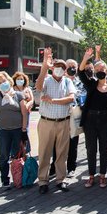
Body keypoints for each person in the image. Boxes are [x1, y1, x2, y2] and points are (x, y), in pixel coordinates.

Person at [35, 49, 76, 194]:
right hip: (47, 122)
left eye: (62, 67)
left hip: (63, 122)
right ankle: (43, 181)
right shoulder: (46, 80)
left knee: (62, 153)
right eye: (56, 66)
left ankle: (60, 179)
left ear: (65, 71)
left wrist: (53, 100)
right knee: (44, 152)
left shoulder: (67, 82)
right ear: (53, 68)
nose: (59, 69)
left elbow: (71, 98)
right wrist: (44, 67)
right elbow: (38, 87)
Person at [0, 71, 28, 189]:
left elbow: (24, 113)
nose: (3, 83)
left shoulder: (18, 95)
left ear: (9, 80)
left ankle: (18, 178)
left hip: (17, 130)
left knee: (17, 155)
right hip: (3, 131)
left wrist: (24, 130)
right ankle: (5, 179)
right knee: (4, 156)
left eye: (4, 81)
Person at [79, 48, 107, 188]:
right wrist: (85, 58)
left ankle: (102, 175)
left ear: (106, 71)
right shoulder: (91, 84)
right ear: (94, 71)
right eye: (97, 68)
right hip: (90, 120)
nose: (100, 70)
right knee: (91, 148)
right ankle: (91, 175)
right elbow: (81, 72)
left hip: (105, 121)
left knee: (104, 149)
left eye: (103, 68)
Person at [50, 59, 83, 178]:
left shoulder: (80, 82)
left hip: (74, 116)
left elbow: (81, 96)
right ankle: (54, 167)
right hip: (60, 115)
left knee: (73, 143)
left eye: (73, 66)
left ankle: (71, 167)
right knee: (57, 143)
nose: (71, 68)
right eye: (69, 66)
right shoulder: (60, 81)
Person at [12, 72, 34, 153]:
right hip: (15, 114)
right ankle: (16, 151)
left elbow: (32, 100)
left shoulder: (27, 89)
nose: (20, 80)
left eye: (21, 79)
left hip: (26, 113)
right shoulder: (12, 89)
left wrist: (28, 105)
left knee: (25, 131)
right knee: (16, 131)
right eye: (18, 79)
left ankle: (26, 150)